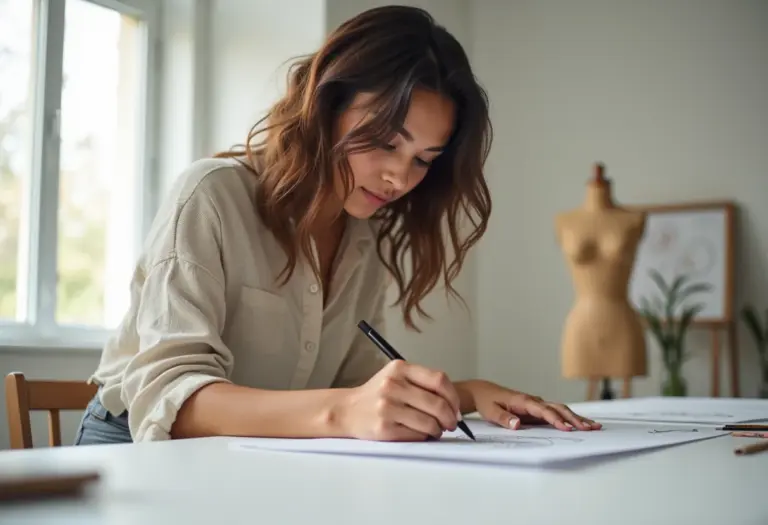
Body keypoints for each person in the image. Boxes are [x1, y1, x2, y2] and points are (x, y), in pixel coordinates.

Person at [74, 5, 601, 446]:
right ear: (327, 106)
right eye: (387, 141)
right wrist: (345, 413)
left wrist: (466, 393)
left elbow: (353, 389)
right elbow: (172, 401)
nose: (400, 176)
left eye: (423, 159)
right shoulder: (212, 195)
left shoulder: (363, 236)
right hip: (132, 448)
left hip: (251, 458)